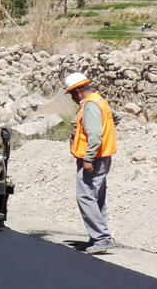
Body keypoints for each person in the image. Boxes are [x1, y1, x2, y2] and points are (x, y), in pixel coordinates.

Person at [64, 72, 117, 254]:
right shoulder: (99, 101)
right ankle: (99, 236)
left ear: (79, 91)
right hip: (102, 157)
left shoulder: (90, 105)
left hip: (93, 159)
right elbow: (114, 118)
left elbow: (95, 135)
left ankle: (102, 238)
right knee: (96, 198)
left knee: (85, 197)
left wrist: (88, 158)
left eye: (72, 93)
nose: (71, 97)